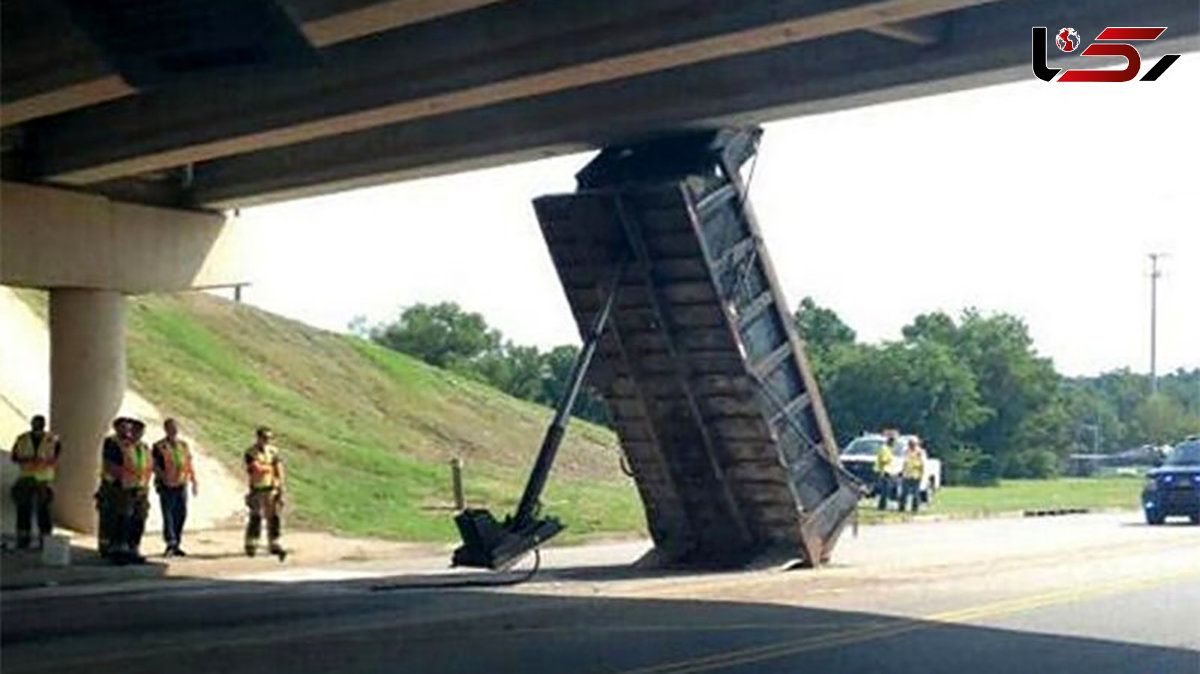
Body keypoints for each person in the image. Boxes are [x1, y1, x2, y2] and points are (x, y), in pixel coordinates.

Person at [102, 417, 152, 564]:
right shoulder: (118, 444)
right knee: (122, 519)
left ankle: (132, 548)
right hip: (123, 488)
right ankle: (118, 549)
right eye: (133, 430)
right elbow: (111, 466)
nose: (132, 433)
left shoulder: (143, 447)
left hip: (141, 488)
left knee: (138, 519)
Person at [9, 415, 61, 549]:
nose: (37, 425)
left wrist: (44, 462)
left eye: (40, 423)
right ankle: (23, 539)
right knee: (23, 508)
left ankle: (45, 541)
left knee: (43, 511)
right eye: (35, 423)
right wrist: (28, 460)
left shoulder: (53, 439)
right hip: (26, 477)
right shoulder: (22, 439)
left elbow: (55, 458)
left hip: (43, 480)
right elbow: (14, 457)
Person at [152, 418, 198, 557]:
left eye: (175, 427)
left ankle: (177, 542)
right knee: (168, 515)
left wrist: (194, 481)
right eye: (170, 428)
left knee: (181, 514)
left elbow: (188, 463)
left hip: (181, 483)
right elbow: (154, 465)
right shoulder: (159, 446)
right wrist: (162, 477)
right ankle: (170, 543)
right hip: (166, 485)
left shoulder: (183, 445)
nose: (173, 430)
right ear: (165, 429)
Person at [244, 426, 286, 560]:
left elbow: (279, 469)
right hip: (257, 488)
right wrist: (269, 468)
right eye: (265, 438)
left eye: (269, 438)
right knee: (255, 516)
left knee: (274, 515)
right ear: (258, 438)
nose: (267, 440)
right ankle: (252, 543)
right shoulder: (251, 452)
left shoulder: (273, 452)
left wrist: (280, 486)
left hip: (271, 487)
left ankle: (274, 542)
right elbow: (256, 469)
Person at [900, 437, 927, 513]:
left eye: (912, 443)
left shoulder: (920, 452)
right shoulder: (906, 451)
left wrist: (922, 474)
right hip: (906, 474)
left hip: (916, 475)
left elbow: (923, 464)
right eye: (910, 443)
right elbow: (904, 462)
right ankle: (902, 507)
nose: (911, 445)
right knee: (904, 492)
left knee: (915, 493)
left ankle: (915, 508)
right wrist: (902, 471)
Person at [874, 433, 897, 511]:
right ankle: (882, 506)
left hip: (888, 471)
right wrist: (889, 460)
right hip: (884, 471)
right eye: (893, 443)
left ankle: (883, 505)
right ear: (890, 442)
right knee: (885, 490)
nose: (894, 445)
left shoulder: (888, 449)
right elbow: (883, 460)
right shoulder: (884, 449)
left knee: (886, 490)